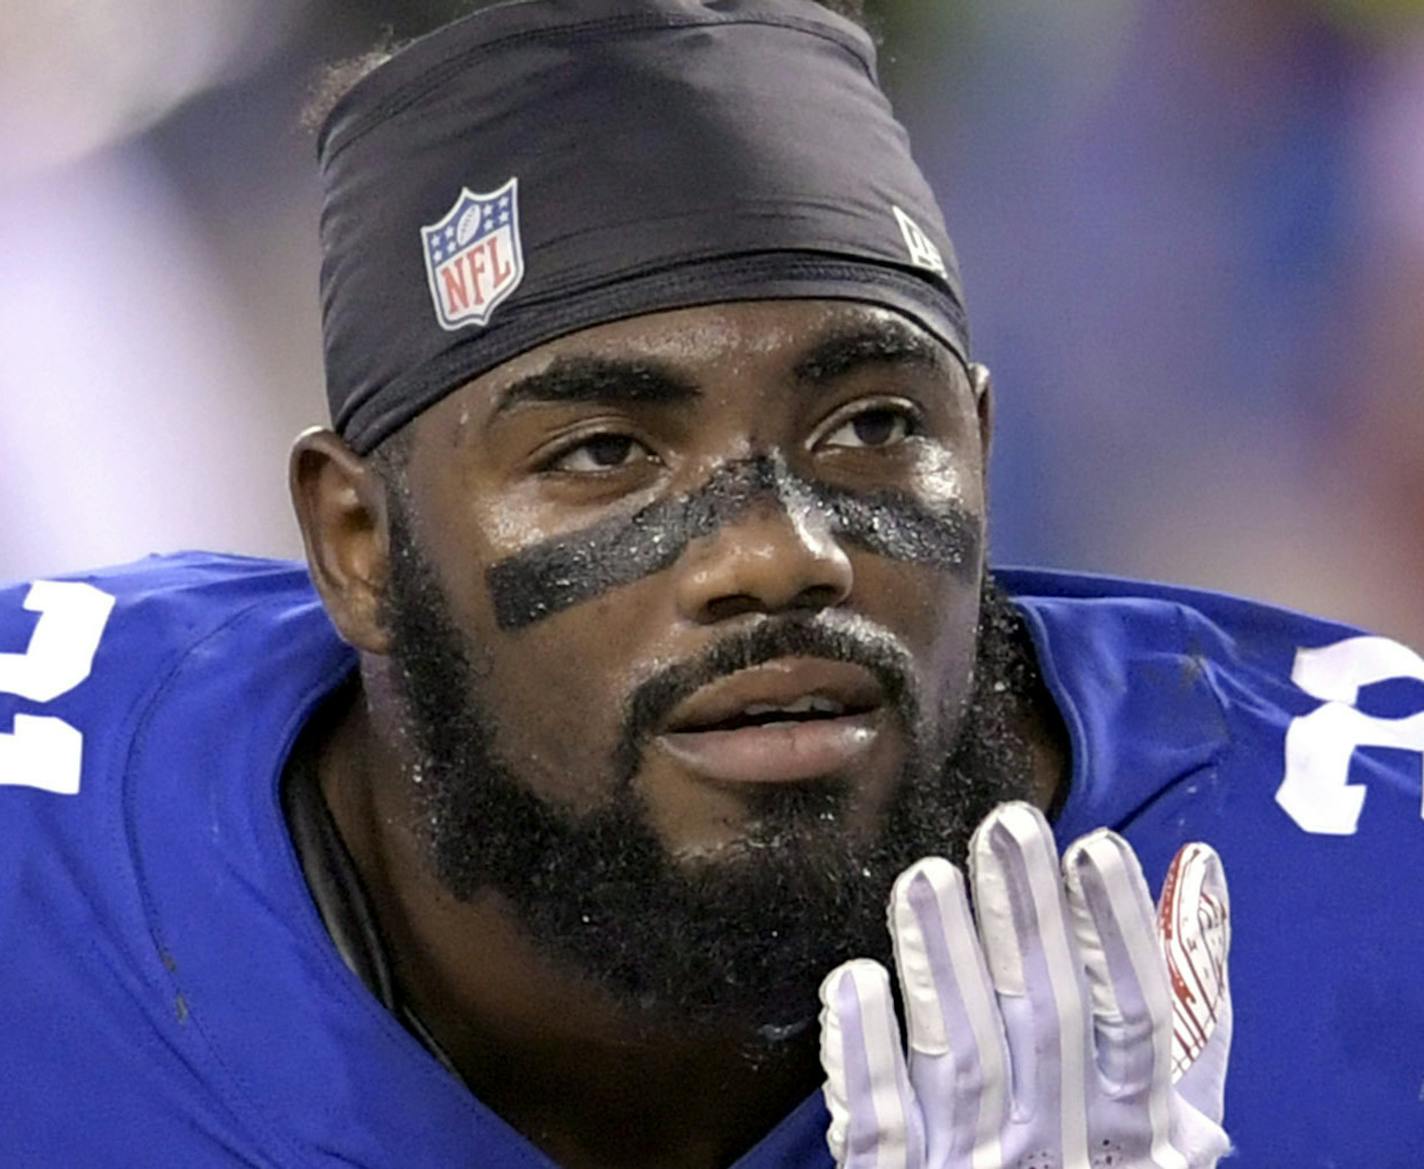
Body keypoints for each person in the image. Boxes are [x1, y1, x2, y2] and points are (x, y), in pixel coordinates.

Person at [0, 1, 1420, 1166]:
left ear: (980, 451)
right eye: (607, 449)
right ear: (359, 547)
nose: (779, 550)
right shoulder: (45, 866)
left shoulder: (1370, 875)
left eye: (873, 426)